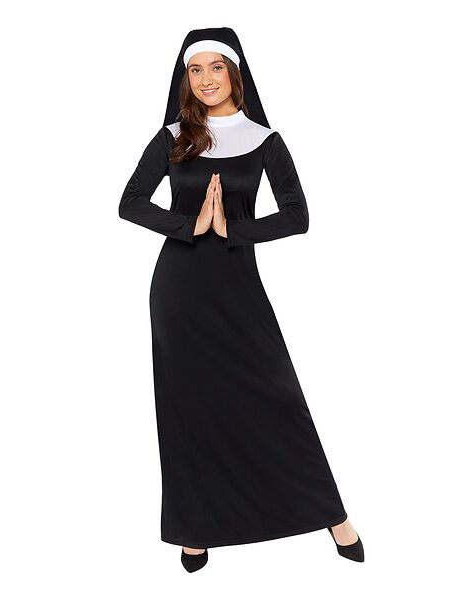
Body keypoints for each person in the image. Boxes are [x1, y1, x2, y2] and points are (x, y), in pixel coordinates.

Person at [119, 27, 364, 573]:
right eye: (195, 70)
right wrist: (189, 224)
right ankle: (194, 528)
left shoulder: (264, 140)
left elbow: (297, 216)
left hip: (238, 284)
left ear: (235, 73)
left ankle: (332, 515)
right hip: (179, 290)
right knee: (187, 408)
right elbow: (130, 202)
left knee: (278, 396)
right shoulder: (173, 137)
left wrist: (233, 229)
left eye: (216, 68)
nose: (206, 80)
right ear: (185, 78)